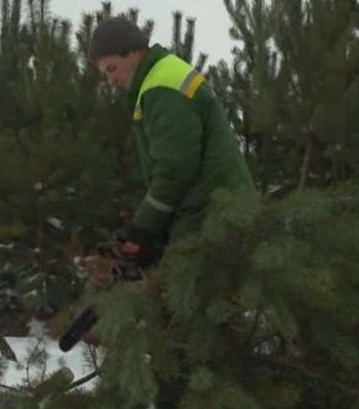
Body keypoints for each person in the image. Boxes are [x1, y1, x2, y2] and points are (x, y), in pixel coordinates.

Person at [87, 16, 255, 266]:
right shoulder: (157, 80)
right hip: (212, 212)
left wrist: (142, 229)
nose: (111, 81)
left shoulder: (161, 87)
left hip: (213, 217)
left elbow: (174, 170)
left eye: (112, 69)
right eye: (105, 74)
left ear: (133, 52)